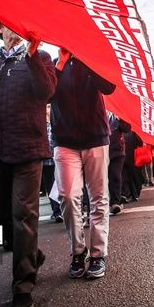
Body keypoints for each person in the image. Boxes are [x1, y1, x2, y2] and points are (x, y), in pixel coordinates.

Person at [0, 26, 55, 307]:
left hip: (27, 148)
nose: (14, 29)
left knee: (23, 215)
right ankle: (32, 253)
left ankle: (22, 286)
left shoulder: (41, 56)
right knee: (2, 218)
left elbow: (46, 91)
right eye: (8, 23)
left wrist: (34, 57)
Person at [50, 48, 115, 279]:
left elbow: (109, 86)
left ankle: (98, 254)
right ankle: (78, 251)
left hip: (96, 137)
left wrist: (86, 58)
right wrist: (60, 64)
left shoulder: (92, 56)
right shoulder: (51, 60)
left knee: (98, 197)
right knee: (67, 196)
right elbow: (46, 94)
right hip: (64, 141)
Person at [108, 112, 131, 215]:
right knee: (100, 179)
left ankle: (115, 203)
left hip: (117, 151)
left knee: (115, 176)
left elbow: (127, 128)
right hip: (100, 150)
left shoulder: (118, 114)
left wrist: (120, 117)